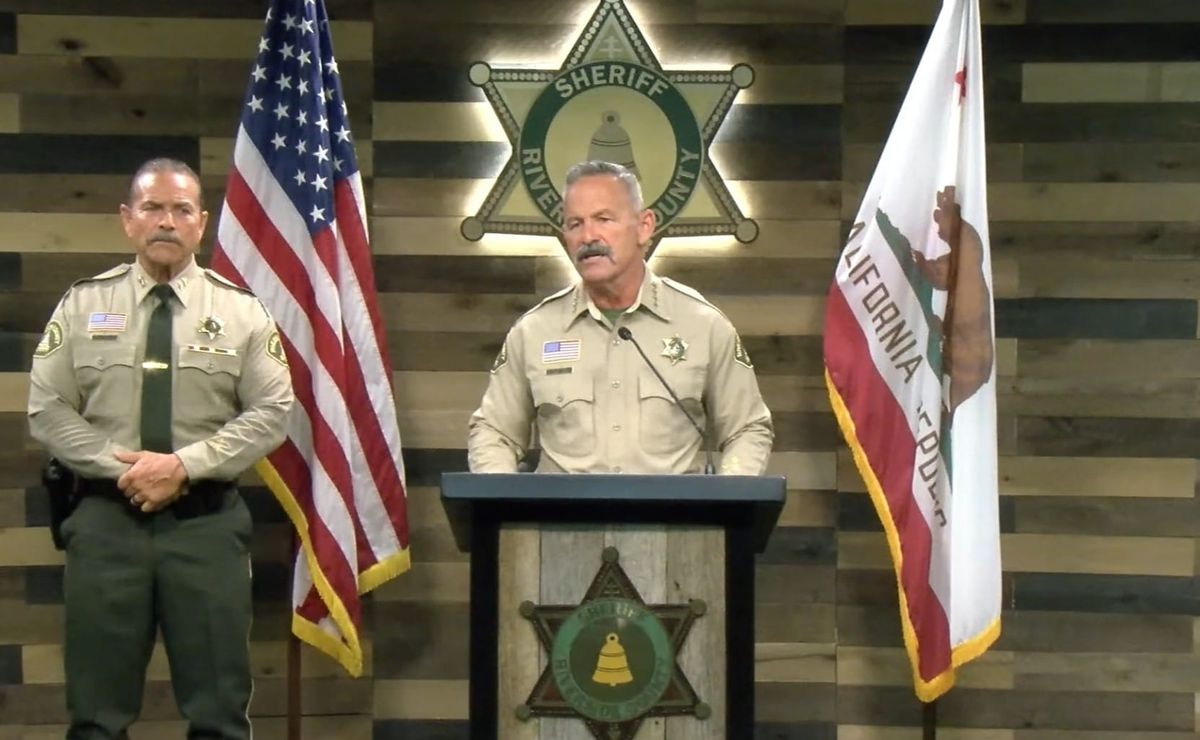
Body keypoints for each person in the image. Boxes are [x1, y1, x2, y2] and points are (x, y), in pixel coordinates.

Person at [27, 158, 294, 739]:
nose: (166, 221)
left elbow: (273, 412)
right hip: (105, 524)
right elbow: (47, 409)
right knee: (96, 716)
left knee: (219, 714)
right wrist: (128, 470)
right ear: (128, 219)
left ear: (202, 223)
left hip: (206, 526)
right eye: (152, 208)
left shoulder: (241, 311)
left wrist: (184, 466)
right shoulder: (81, 305)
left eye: (181, 209)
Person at [468, 160, 773, 475]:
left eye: (603, 219)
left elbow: (747, 429)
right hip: (563, 507)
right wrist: (501, 494)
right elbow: (494, 432)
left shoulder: (702, 325)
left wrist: (729, 494)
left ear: (644, 226)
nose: (588, 236)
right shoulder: (535, 331)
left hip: (671, 508)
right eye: (575, 224)